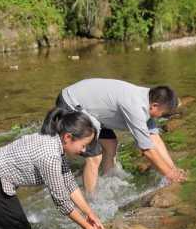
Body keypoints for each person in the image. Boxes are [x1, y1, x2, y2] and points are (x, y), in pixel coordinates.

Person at [0, 108, 105, 229]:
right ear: (68, 137)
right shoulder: (50, 156)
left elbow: (69, 183)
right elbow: (61, 201)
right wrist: (86, 227)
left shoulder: (53, 141)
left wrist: (90, 214)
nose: (84, 150)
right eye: (83, 145)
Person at [55, 78, 187, 193]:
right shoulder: (135, 107)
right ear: (155, 106)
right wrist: (170, 175)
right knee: (95, 156)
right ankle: (91, 201)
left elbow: (155, 140)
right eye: (163, 114)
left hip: (90, 108)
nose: (161, 117)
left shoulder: (148, 99)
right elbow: (147, 150)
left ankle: (108, 181)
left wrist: (173, 169)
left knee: (110, 145)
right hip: (71, 102)